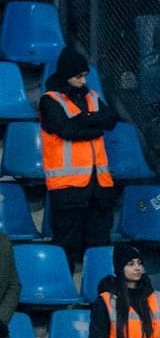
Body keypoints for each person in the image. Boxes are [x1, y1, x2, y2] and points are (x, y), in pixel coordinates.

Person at [39, 46, 119, 270]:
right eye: (78, 76)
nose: (83, 81)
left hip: (98, 186)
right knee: (66, 244)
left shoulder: (91, 97)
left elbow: (111, 119)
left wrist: (84, 118)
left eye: (85, 76)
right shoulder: (50, 100)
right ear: (67, 75)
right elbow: (65, 130)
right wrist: (95, 125)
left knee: (100, 244)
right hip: (67, 187)